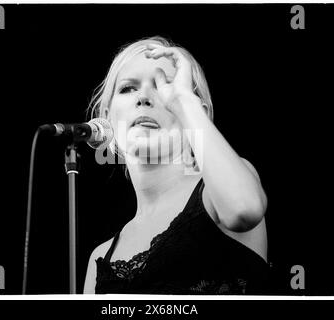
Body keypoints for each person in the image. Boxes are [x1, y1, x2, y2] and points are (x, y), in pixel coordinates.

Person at [83, 36, 269, 294]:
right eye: (128, 88)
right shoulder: (100, 257)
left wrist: (183, 99)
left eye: (163, 86)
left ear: (195, 113)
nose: (144, 98)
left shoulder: (218, 193)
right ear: (106, 118)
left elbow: (244, 209)